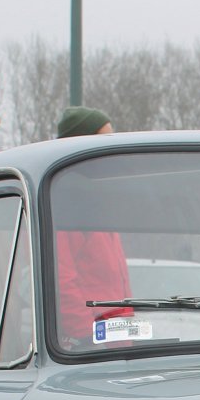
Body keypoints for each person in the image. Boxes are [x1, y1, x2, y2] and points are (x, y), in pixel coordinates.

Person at [52, 106, 132, 342]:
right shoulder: (65, 207)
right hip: (93, 348)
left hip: (118, 343)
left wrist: (129, 336)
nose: (111, 146)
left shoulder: (101, 203)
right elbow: (61, 282)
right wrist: (89, 336)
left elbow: (117, 285)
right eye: (104, 138)